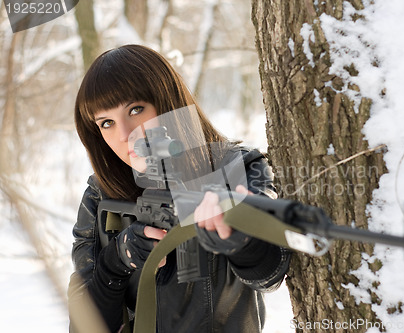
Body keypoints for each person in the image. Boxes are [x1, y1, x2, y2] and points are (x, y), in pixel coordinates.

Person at [68, 44, 290, 333]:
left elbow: (270, 275)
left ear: (167, 101)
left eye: (135, 110)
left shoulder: (238, 166)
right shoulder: (101, 194)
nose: (124, 135)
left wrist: (240, 240)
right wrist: (116, 262)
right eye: (106, 123)